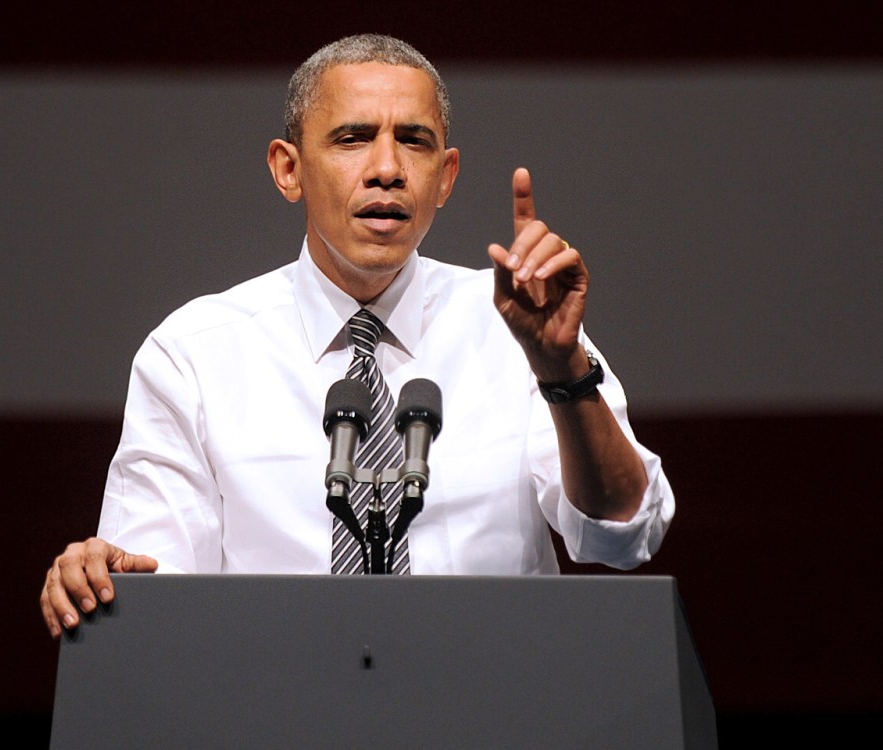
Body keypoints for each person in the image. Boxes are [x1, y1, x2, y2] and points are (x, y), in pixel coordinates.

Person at [40, 34, 674, 638]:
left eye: (415, 142)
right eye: (352, 139)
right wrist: (101, 577)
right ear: (288, 170)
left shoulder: (516, 325)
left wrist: (562, 373)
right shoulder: (194, 355)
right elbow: (156, 594)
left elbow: (623, 535)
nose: (388, 169)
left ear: (446, 176)